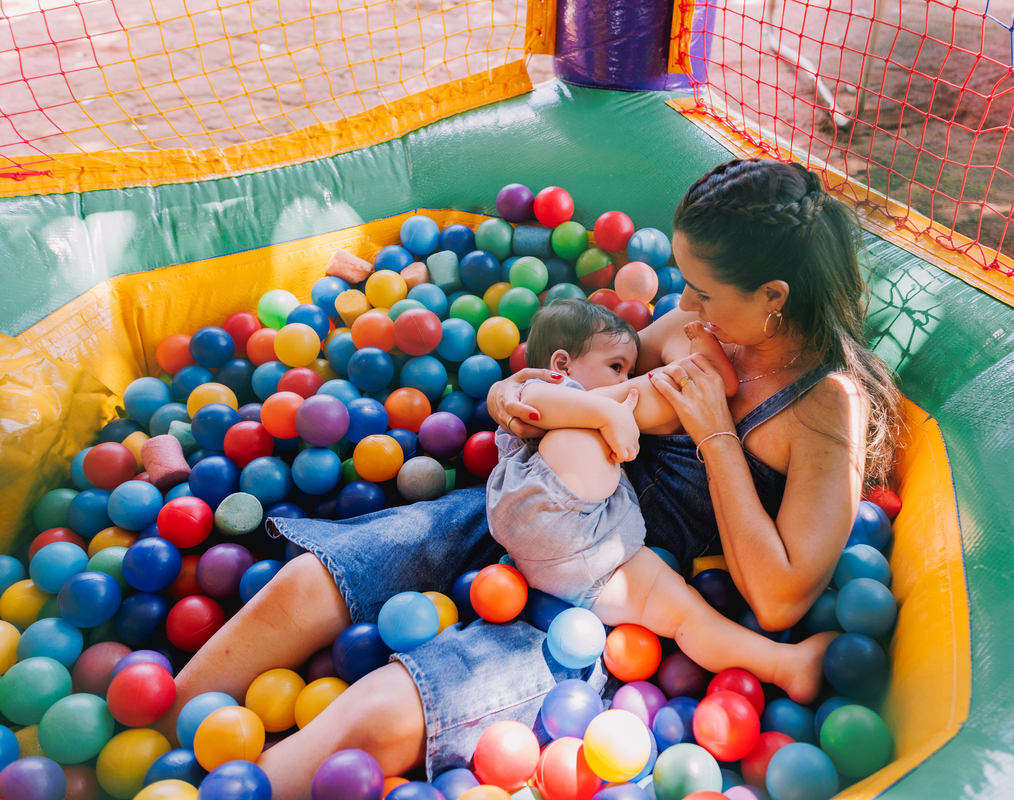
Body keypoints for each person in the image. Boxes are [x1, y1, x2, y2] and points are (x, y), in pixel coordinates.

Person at [155, 158, 901, 800]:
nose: (685, 304)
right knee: (306, 586)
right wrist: (516, 397)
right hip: (533, 506)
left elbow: (779, 598)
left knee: (381, 713)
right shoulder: (689, 331)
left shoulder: (825, 407)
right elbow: (583, 385)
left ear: (773, 296)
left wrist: (713, 433)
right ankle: (156, 731)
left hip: (611, 590)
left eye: (705, 291)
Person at [490, 298, 831, 701]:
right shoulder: (547, 387)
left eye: (629, 370)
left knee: (686, 615)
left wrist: (706, 358)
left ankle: (784, 665)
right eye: (616, 366)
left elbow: (696, 393)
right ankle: (694, 381)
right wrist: (606, 414)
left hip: (584, 560)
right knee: (635, 400)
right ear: (562, 364)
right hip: (539, 500)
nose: (627, 376)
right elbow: (542, 405)